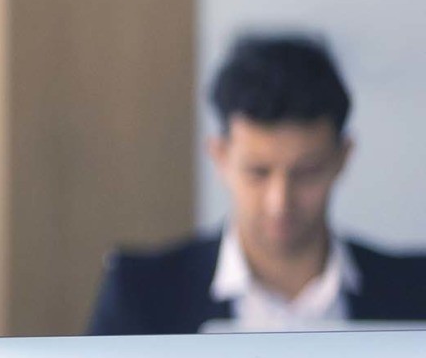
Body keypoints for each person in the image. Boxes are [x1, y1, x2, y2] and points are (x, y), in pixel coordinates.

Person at [88, 33, 426, 334]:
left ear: (342, 158)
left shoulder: (414, 291)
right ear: (220, 157)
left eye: (306, 172)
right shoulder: (142, 294)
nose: (279, 200)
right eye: (258, 172)